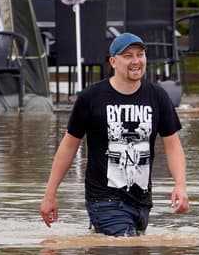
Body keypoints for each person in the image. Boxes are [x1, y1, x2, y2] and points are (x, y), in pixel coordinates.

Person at [40, 32, 189, 236]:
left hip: (142, 203)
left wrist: (180, 185)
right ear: (113, 62)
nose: (136, 61)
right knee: (125, 247)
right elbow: (68, 146)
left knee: (131, 253)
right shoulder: (91, 98)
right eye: (128, 56)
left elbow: (172, 146)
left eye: (140, 55)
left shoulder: (157, 96)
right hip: (104, 200)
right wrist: (50, 195)